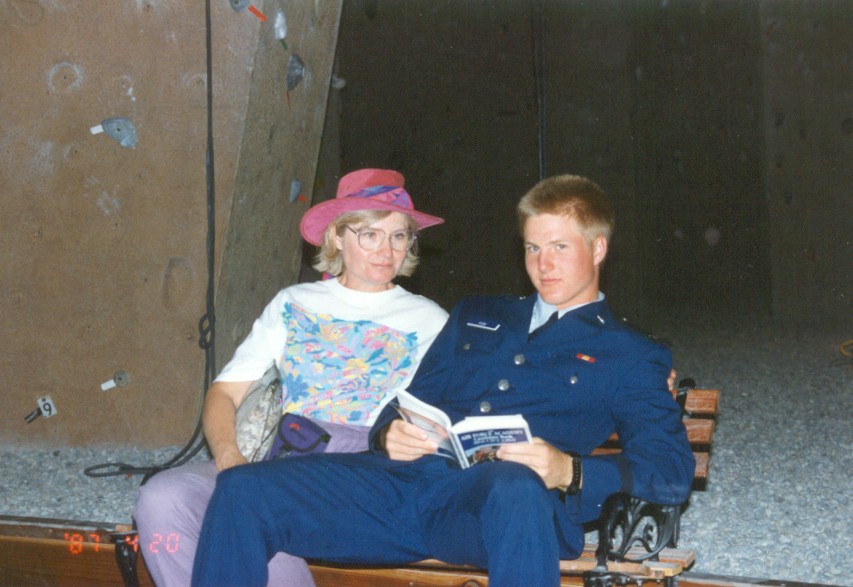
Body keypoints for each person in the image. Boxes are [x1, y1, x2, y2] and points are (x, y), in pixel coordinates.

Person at [190, 174, 695, 587]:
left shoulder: (630, 354)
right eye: (532, 247)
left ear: (598, 248)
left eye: (559, 247)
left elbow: (671, 469)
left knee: (514, 486)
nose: (543, 264)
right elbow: (406, 404)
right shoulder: (478, 315)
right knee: (242, 489)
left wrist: (571, 471)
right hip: (403, 489)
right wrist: (389, 434)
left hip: (492, 513)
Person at [133, 168, 449, 586]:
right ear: (337, 236)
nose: (386, 250)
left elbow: (445, 419)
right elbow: (225, 394)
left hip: (363, 473)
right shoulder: (294, 302)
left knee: (261, 506)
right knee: (162, 497)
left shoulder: (430, 320)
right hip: (280, 461)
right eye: (370, 234)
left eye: (399, 236)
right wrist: (229, 457)